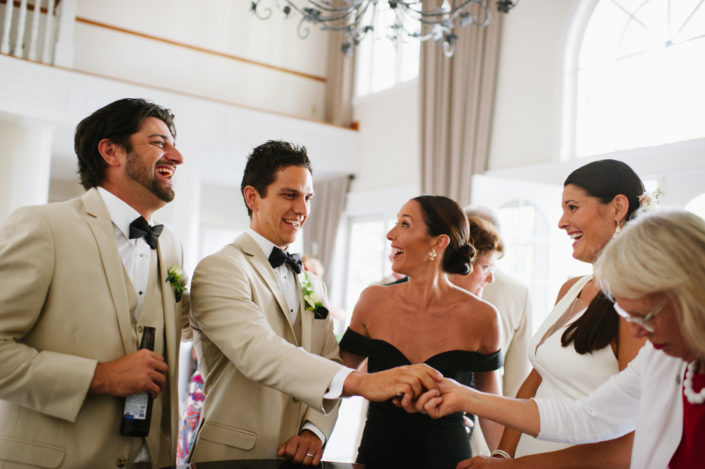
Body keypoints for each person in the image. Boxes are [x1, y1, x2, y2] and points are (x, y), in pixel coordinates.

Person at [188, 141, 441, 465]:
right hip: (231, 457)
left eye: (307, 197)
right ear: (252, 197)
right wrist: (361, 382)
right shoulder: (221, 268)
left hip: (300, 459)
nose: (303, 210)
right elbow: (258, 351)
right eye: (289, 195)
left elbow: (328, 357)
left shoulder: (311, 282)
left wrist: (314, 431)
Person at [415, 209, 705, 469]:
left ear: (688, 294)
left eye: (645, 315)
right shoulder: (658, 357)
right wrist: (466, 397)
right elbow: (587, 416)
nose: (637, 331)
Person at [0, 98, 188, 468]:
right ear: (111, 151)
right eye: (159, 142)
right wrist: (99, 377)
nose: (177, 156)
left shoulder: (171, 244)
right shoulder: (43, 227)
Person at [484, 159, 648, 460]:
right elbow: (536, 379)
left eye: (572, 207)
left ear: (617, 208)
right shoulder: (572, 288)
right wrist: (503, 455)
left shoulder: (636, 306)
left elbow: (631, 433)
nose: (561, 222)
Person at [339, 195, 504, 469]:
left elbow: (491, 407)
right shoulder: (372, 301)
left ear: (438, 242)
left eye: (404, 225)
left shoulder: (483, 317)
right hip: (375, 457)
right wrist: (312, 434)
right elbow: (336, 380)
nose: (390, 234)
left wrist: (505, 461)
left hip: (450, 460)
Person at [448, 215, 530, 456]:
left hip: (469, 438)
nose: (491, 278)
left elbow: (496, 391)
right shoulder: (401, 302)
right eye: (486, 267)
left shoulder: (485, 318)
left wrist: (504, 457)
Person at [465, 208, 532, 399]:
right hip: (492, 411)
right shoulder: (519, 292)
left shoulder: (519, 293)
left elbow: (518, 373)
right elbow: (516, 378)